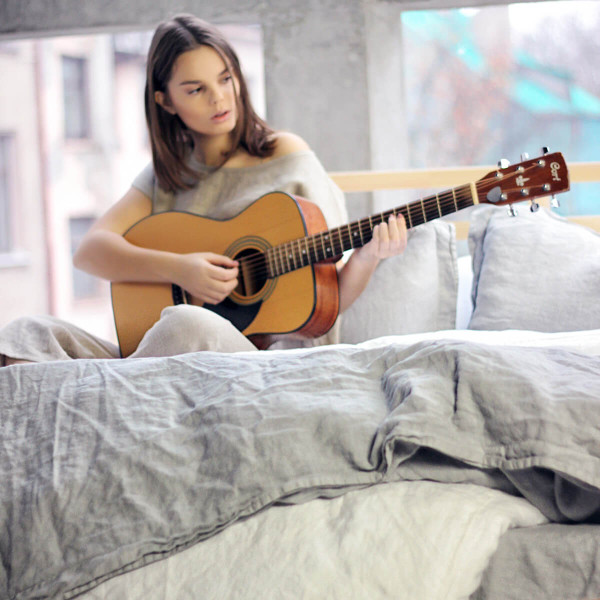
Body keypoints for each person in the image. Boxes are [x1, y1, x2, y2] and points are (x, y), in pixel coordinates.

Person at [0, 14, 407, 367]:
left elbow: (330, 293)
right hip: (155, 355)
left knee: (186, 323)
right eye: (195, 89)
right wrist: (181, 270)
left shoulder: (286, 154)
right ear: (165, 101)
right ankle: (116, 391)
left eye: (225, 79)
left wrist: (369, 256)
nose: (219, 98)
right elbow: (90, 252)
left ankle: (120, 386)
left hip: (258, 361)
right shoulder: (167, 173)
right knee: (28, 334)